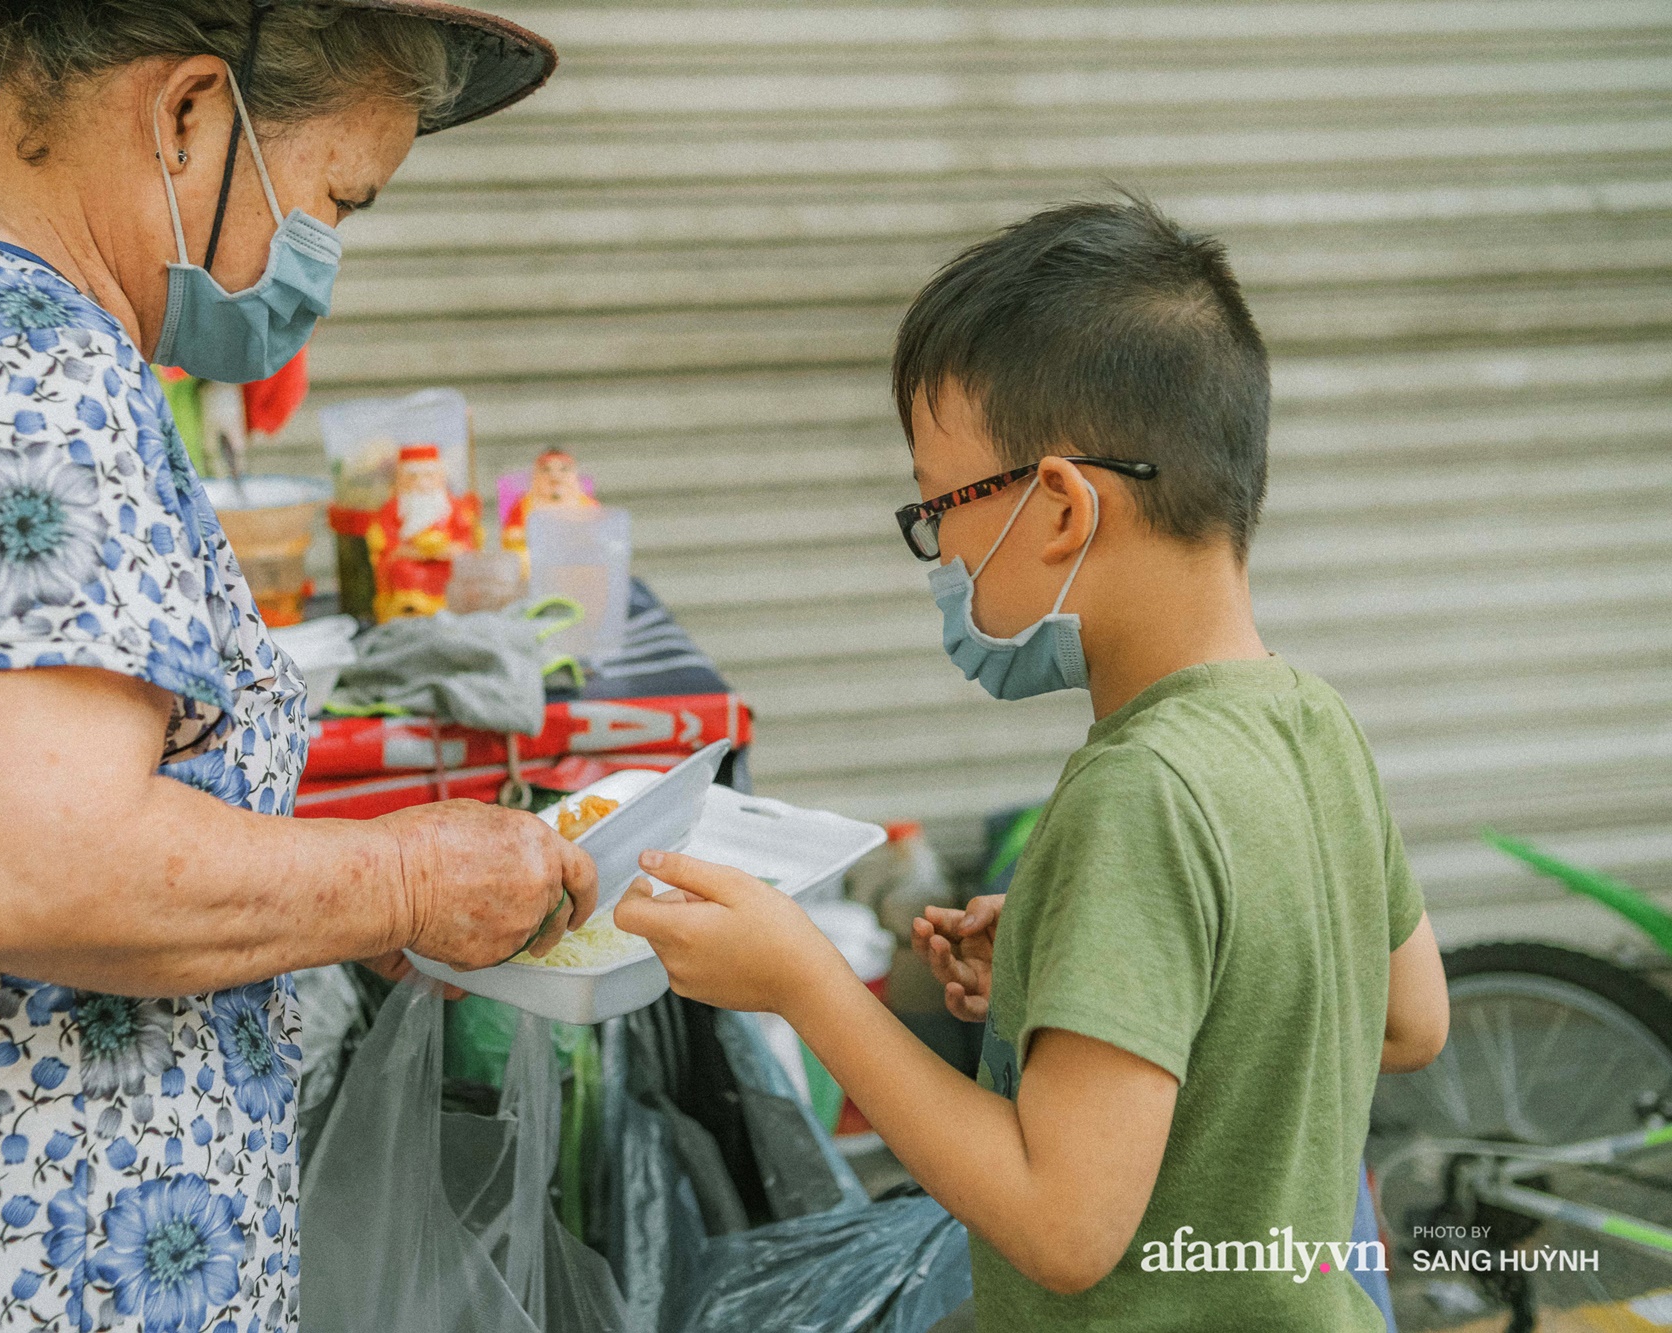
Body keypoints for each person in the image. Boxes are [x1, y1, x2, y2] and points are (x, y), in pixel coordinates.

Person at [0, 1, 593, 1328]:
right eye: (335, 198)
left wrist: (318, 902)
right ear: (187, 116)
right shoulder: (22, 368)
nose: (322, 254)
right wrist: (399, 879)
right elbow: (23, 856)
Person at [616, 196, 1451, 1330]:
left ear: (1058, 506)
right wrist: (1087, 974)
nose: (939, 551)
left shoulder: (1136, 791)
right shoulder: (1313, 724)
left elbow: (1063, 1226)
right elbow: (1405, 1020)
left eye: (937, 507)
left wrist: (801, 979)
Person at [364, 442, 479, 619]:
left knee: (460, 569)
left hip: (444, 561)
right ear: (402, 479)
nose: (422, 483)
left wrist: (449, 550)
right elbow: (386, 541)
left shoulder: (452, 507)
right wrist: (414, 551)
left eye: (428, 476)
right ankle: (411, 611)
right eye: (413, 477)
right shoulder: (394, 508)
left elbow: (466, 538)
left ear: (439, 477)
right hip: (409, 560)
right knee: (402, 571)